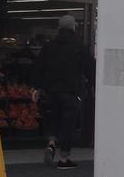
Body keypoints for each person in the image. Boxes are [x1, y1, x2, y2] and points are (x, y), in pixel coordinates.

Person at [31, 14, 94, 169]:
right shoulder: (79, 46)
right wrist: (91, 85)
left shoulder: (49, 46)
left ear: (59, 28)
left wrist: (36, 87)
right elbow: (90, 69)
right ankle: (64, 159)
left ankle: (51, 143)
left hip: (51, 90)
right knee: (68, 124)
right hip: (71, 91)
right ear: (74, 28)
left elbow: (39, 68)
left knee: (53, 118)